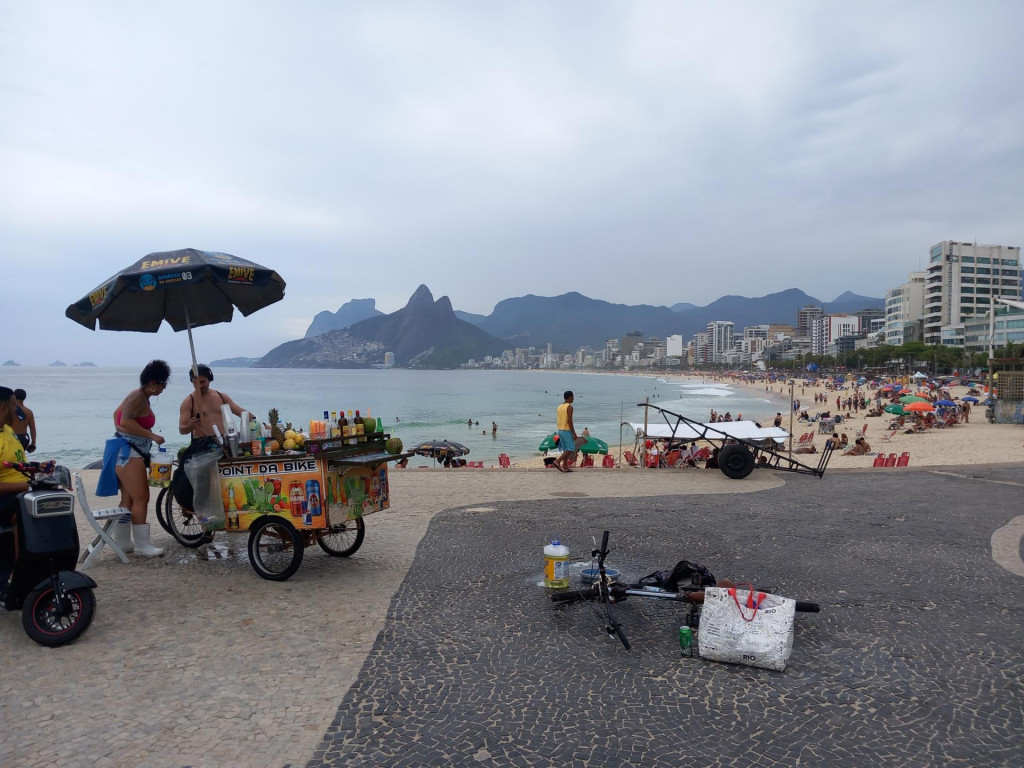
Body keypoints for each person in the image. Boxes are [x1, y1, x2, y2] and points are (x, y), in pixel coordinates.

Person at [96, 360, 170, 557]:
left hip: (125, 450)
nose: (164, 388)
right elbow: (125, 420)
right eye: (163, 383)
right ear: (153, 382)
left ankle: (123, 542)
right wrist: (151, 435)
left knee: (128, 499)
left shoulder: (139, 396)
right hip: (128, 453)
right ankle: (142, 545)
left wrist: (121, 429)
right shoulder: (137, 397)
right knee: (141, 497)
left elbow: (117, 416)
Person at [0, 387, 30, 588]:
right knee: (25, 512)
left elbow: (18, 464)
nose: (17, 409)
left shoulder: (8, 430)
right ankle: (19, 571)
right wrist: (27, 484)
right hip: (6, 497)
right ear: (3, 408)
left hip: (19, 490)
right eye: (13, 406)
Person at [178, 364, 247, 441]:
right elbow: (182, 430)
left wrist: (260, 424)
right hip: (203, 446)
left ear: (210, 380)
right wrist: (191, 426)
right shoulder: (189, 402)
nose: (199, 386)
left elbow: (244, 414)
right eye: (195, 383)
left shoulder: (221, 397)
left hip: (225, 442)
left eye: (202, 382)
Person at [555, 391, 578, 473]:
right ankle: (558, 461)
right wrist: (573, 433)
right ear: (569, 397)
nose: (573, 398)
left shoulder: (559, 406)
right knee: (571, 448)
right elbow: (569, 421)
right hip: (566, 430)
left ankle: (565, 467)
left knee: (565, 449)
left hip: (560, 429)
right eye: (572, 397)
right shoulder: (569, 407)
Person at [11, 389, 36, 453]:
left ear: (13, 396)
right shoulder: (29, 412)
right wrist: (33, 443)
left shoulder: (10, 410)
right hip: (24, 438)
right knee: (20, 457)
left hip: (12, 437)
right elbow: (32, 428)